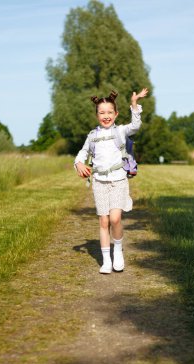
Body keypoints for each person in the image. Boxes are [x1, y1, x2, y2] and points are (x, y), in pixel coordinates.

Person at [74, 88, 148, 274]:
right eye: (102, 112)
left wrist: (134, 104)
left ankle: (118, 251)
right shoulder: (92, 136)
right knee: (103, 222)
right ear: (97, 114)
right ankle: (106, 260)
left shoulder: (121, 131)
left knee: (115, 219)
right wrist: (78, 163)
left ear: (116, 114)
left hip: (118, 180)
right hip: (99, 182)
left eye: (109, 112)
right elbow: (83, 153)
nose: (106, 116)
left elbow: (136, 126)